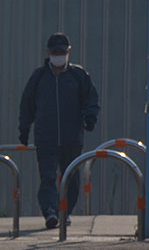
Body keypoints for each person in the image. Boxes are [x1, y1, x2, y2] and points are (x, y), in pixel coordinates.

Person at [18, 32, 100, 229]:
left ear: (68, 52)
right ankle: (50, 212)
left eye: (62, 52)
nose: (59, 55)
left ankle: (65, 211)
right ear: (48, 52)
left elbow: (91, 99)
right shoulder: (39, 77)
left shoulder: (78, 75)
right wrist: (24, 128)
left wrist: (90, 117)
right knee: (47, 177)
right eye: (55, 52)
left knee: (70, 179)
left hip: (72, 137)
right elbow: (27, 104)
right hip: (46, 138)